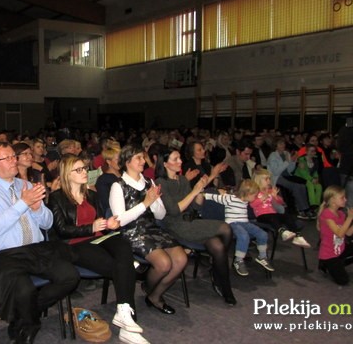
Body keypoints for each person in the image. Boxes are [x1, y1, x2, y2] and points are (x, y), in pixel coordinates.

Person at [0, 142, 79, 344]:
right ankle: (30, 324)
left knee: (70, 276)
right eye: (8, 158)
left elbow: (47, 224)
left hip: (33, 250)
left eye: (14, 156)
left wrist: (38, 209)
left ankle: (24, 316)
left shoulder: (26, 185)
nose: (15, 161)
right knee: (25, 290)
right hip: (3, 255)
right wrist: (23, 204)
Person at [48, 155, 149, 344]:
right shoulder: (56, 198)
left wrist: (108, 224)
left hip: (98, 238)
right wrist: (91, 228)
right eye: (78, 170)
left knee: (122, 243)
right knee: (123, 266)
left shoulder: (91, 195)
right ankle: (129, 327)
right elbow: (61, 231)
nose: (84, 172)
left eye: (84, 168)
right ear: (66, 174)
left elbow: (101, 221)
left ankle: (124, 313)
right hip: (74, 244)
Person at [109, 144, 187, 315]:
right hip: (132, 232)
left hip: (152, 229)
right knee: (164, 264)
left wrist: (154, 202)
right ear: (127, 161)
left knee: (181, 260)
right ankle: (150, 285)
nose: (143, 161)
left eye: (143, 157)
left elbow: (159, 216)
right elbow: (120, 220)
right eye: (139, 158)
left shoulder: (148, 182)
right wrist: (145, 203)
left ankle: (154, 295)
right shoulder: (118, 186)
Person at [154, 148, 236, 306]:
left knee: (218, 246)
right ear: (165, 163)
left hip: (191, 221)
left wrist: (200, 190)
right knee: (225, 228)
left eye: (179, 158)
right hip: (176, 225)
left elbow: (195, 208)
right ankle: (218, 274)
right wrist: (194, 191)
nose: (180, 162)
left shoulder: (182, 180)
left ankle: (222, 283)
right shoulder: (160, 183)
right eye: (175, 159)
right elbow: (174, 210)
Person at [203, 180, 274, 276]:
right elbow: (213, 197)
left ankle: (262, 256)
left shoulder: (245, 201)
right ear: (248, 194)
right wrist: (207, 194)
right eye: (254, 195)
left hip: (245, 223)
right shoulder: (230, 198)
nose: (255, 197)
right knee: (244, 236)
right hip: (233, 223)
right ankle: (239, 260)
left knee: (263, 234)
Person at [317, 185, 353, 285]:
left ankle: (339, 264)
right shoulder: (326, 214)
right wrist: (350, 218)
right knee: (343, 281)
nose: (345, 199)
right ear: (333, 200)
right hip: (329, 255)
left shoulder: (340, 213)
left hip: (340, 249)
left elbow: (348, 233)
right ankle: (325, 264)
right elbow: (340, 233)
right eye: (342, 198)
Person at [250, 168, 311, 248]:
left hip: (272, 213)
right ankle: (282, 232)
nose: (269, 181)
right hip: (261, 216)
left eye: (269, 179)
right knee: (273, 218)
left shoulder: (269, 190)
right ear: (259, 180)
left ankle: (297, 236)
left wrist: (275, 197)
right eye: (266, 179)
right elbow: (252, 205)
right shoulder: (255, 192)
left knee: (286, 216)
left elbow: (281, 202)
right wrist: (261, 199)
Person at [267, 138, 316, 220]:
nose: (283, 145)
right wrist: (286, 161)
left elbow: (290, 170)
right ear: (276, 146)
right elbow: (276, 171)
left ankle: (305, 208)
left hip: (287, 175)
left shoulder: (286, 153)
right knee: (295, 186)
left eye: (283, 144)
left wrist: (293, 161)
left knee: (302, 185)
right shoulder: (273, 156)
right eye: (280, 144)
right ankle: (302, 209)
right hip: (277, 177)